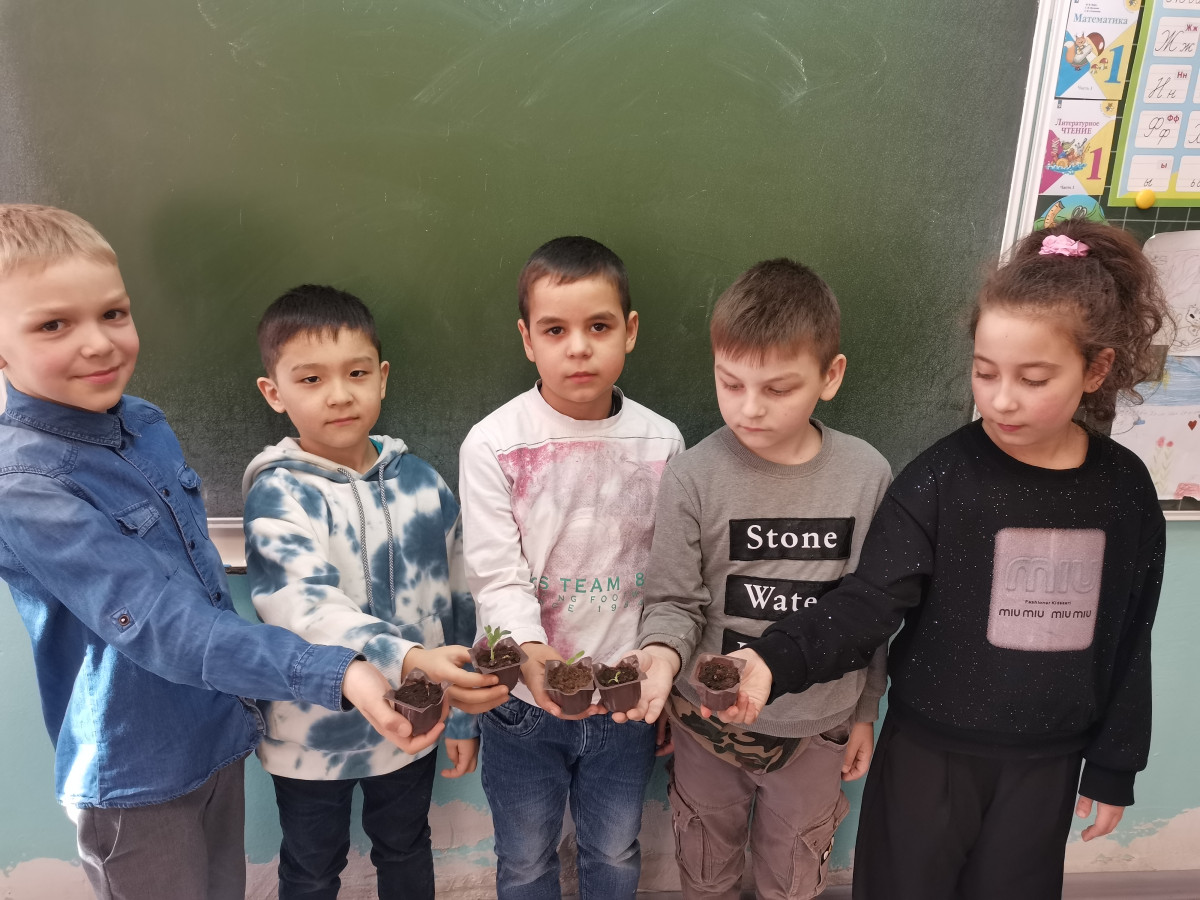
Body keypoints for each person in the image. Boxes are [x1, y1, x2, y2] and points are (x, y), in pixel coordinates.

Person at [717, 222, 1170, 900]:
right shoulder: (939, 478)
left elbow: (1131, 635)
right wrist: (773, 659)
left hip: (1047, 760)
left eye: (1033, 378)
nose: (1001, 397)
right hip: (928, 757)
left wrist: (1114, 765)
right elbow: (868, 602)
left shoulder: (1124, 490)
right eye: (984, 372)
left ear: (1096, 369)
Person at [0, 204, 439, 900]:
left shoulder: (144, 424)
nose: (99, 344)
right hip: (137, 776)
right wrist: (344, 671)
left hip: (215, 736)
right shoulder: (25, 486)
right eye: (54, 325)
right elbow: (162, 624)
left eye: (114, 313)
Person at [617, 258, 891, 899]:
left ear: (830, 376)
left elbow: (871, 612)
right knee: (705, 869)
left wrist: (864, 712)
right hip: (706, 728)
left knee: (792, 878)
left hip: (816, 728)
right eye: (730, 383)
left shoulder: (867, 475)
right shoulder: (693, 476)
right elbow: (675, 600)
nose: (750, 408)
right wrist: (660, 656)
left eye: (778, 389)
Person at [243, 284, 508, 900]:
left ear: (382, 378)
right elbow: (304, 606)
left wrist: (463, 714)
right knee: (311, 867)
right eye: (311, 379)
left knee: (406, 847)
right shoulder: (278, 495)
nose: (339, 394)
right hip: (313, 735)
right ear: (274, 392)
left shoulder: (424, 485)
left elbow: (461, 599)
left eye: (357, 373)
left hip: (414, 728)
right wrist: (405, 657)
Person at [459, 236, 684, 899]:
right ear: (527, 339)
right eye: (555, 330)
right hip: (524, 706)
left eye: (599, 327)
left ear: (630, 331)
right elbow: (496, 577)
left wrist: (660, 680)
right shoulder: (493, 444)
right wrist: (536, 662)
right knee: (525, 859)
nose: (579, 348)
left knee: (614, 850)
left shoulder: (663, 442)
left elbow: (672, 578)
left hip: (622, 702)